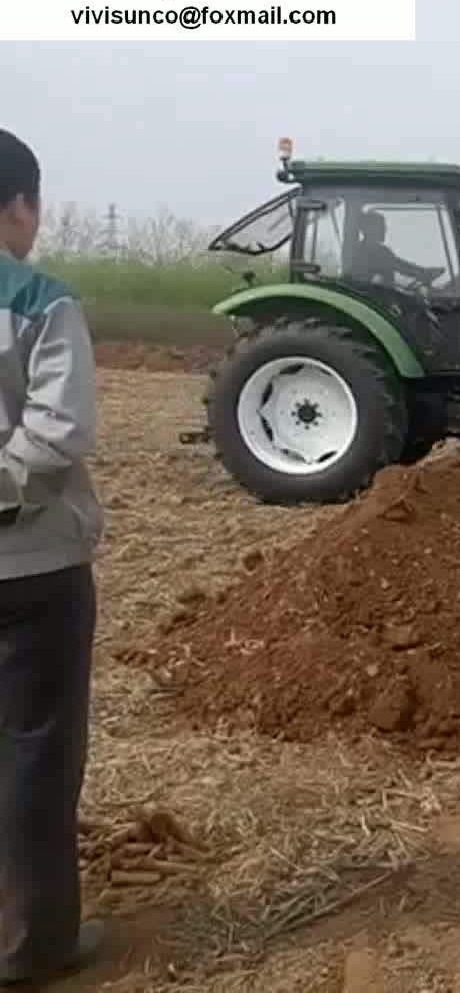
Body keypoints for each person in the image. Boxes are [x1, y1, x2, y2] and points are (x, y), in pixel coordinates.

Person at [0, 129, 106, 983]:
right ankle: (31, 944)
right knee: (35, 751)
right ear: (21, 206)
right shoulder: (38, 299)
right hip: (29, 568)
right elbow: (59, 431)